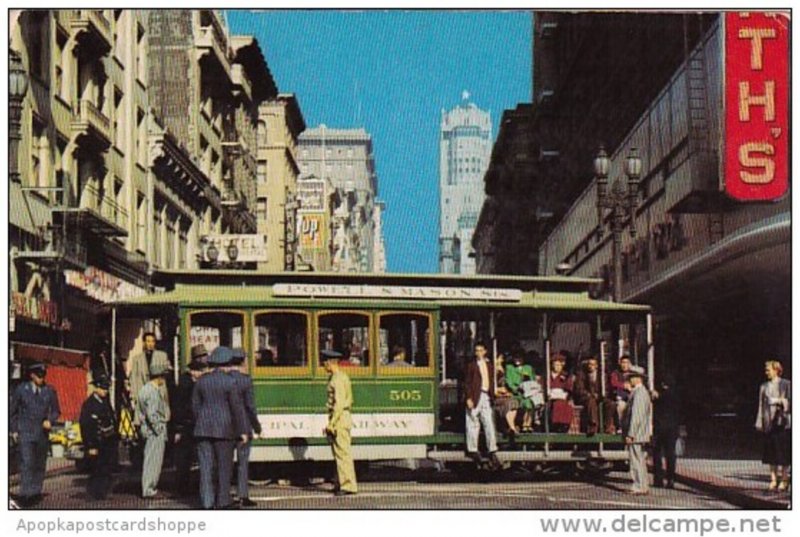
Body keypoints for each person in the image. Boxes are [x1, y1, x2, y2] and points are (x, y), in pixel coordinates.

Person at [192, 346, 249, 509]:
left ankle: (207, 502)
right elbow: (237, 408)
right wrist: (242, 431)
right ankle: (223, 500)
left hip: (203, 429)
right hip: (225, 430)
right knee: (224, 467)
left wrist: (201, 422)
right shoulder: (230, 382)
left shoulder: (201, 381)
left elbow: (195, 406)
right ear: (227, 363)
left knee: (205, 467)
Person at [10, 362, 61, 507]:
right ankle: (25, 495)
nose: (41, 378)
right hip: (25, 433)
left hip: (42, 434)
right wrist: (14, 430)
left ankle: (35, 493)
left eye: (43, 375)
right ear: (32, 376)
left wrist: (50, 420)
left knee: (39, 464)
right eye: (39, 375)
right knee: (27, 463)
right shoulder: (21, 390)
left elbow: (56, 411)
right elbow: (12, 412)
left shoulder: (49, 391)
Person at [229, 348, 262, 507]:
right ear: (243, 361)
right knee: (243, 462)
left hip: (225, 426)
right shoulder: (245, 380)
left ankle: (223, 494)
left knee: (225, 461)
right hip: (243, 425)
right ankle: (242, 494)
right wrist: (257, 427)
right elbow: (250, 406)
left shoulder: (223, 379)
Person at [322, 349, 358, 495]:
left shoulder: (337, 379)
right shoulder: (342, 377)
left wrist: (332, 423)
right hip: (342, 417)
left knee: (343, 453)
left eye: (324, 362)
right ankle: (341, 482)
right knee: (339, 453)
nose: (323, 365)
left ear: (330, 363)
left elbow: (339, 403)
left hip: (340, 418)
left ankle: (348, 485)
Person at [79, 373, 118, 500]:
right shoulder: (89, 404)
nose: (105, 391)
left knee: (106, 468)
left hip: (107, 441)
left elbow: (111, 420)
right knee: (96, 469)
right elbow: (86, 426)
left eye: (107, 388)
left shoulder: (105, 402)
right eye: (103, 388)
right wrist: (90, 445)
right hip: (96, 441)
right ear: (96, 388)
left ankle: (103, 492)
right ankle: (93, 493)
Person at [463, 342, 501, 469]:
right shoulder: (471, 365)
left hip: (485, 395)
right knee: (473, 423)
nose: (478, 353)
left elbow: (492, 380)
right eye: (476, 351)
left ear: (485, 351)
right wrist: (468, 397)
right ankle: (473, 449)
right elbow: (467, 382)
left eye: (480, 350)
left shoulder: (489, 365)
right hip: (475, 395)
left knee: (488, 423)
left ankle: (492, 449)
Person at [172, 357, 206, 496]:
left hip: (190, 425)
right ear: (193, 371)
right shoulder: (186, 385)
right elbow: (180, 408)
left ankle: (187, 486)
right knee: (184, 459)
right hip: (186, 426)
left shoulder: (188, 382)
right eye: (199, 371)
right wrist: (178, 428)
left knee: (189, 458)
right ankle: (183, 488)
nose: (201, 373)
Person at [137, 361, 171, 500]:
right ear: (160, 376)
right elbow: (152, 415)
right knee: (154, 461)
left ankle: (149, 487)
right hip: (155, 432)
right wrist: (159, 429)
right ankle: (149, 489)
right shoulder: (151, 391)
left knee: (151, 459)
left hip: (149, 430)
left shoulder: (145, 389)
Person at [755, 360, 791, 492]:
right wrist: (759, 422)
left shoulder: (786, 384)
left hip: (782, 422)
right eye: (766, 370)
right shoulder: (764, 386)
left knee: (783, 452)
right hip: (769, 422)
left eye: (768, 370)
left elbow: (791, 401)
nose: (766, 372)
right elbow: (761, 405)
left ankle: (784, 479)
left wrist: (778, 401)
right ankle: (773, 479)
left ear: (776, 370)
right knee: (771, 452)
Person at [621, 371, 652, 495]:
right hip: (639, 433)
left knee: (635, 460)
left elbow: (636, 416)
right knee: (639, 459)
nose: (630, 380)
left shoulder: (639, 393)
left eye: (631, 378)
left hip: (636, 434)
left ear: (638, 378)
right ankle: (643, 485)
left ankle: (639, 485)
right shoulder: (640, 392)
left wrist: (631, 433)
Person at [574, 356, 616, 435]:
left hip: (600, 396)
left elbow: (607, 388)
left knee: (611, 404)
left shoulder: (602, 376)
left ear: (596, 366)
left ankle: (606, 426)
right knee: (591, 401)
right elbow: (579, 389)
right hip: (586, 397)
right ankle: (593, 425)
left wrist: (601, 395)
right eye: (589, 364)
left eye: (593, 364)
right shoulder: (582, 375)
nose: (590, 366)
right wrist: (590, 394)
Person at [651, 376, 680, 488]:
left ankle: (658, 479)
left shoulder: (658, 396)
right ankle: (670, 478)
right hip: (672, 428)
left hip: (659, 428)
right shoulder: (676, 396)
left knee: (657, 454)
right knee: (670, 454)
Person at [129, 332, 171, 408]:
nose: (150, 344)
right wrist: (134, 395)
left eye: (152, 341)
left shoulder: (162, 356)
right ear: (144, 342)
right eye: (148, 341)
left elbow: (166, 374)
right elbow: (134, 377)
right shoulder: (137, 359)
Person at [506, 352, 536, 432]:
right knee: (513, 403)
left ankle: (527, 425)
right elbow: (509, 381)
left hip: (527, 392)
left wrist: (529, 389)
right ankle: (512, 427)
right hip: (515, 393)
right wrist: (516, 389)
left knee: (530, 403)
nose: (517, 360)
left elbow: (532, 379)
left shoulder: (528, 368)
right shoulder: (509, 368)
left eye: (519, 358)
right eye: (515, 358)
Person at [547, 353, 574, 433]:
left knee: (565, 406)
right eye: (555, 364)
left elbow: (569, 388)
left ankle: (563, 426)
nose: (557, 367)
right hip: (550, 397)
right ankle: (554, 425)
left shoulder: (565, 376)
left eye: (559, 365)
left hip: (562, 397)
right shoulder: (548, 376)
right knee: (556, 405)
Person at [493, 353, 519, 435]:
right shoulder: (492, 370)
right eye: (499, 358)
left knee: (513, 402)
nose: (501, 360)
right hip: (495, 396)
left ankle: (511, 427)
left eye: (502, 358)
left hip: (505, 394)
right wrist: (500, 390)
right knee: (508, 403)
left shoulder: (504, 369)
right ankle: (512, 427)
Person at [608, 355, 633, 428]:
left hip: (631, 397)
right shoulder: (615, 373)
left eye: (627, 363)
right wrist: (624, 385)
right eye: (623, 363)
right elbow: (613, 383)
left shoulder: (632, 374)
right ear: (620, 363)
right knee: (621, 406)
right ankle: (622, 427)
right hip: (620, 398)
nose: (625, 365)